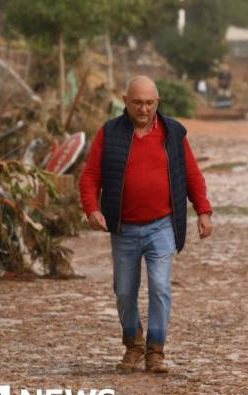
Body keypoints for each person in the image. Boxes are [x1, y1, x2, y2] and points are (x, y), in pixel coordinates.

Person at [79, 76, 213, 374]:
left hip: (162, 225)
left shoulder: (173, 133)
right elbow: (89, 177)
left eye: (149, 103)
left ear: (158, 103)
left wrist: (203, 211)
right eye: (137, 103)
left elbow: (192, 175)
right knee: (124, 291)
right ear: (125, 101)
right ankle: (133, 344)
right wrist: (91, 209)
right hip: (123, 228)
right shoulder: (109, 133)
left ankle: (155, 350)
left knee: (160, 286)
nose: (143, 109)